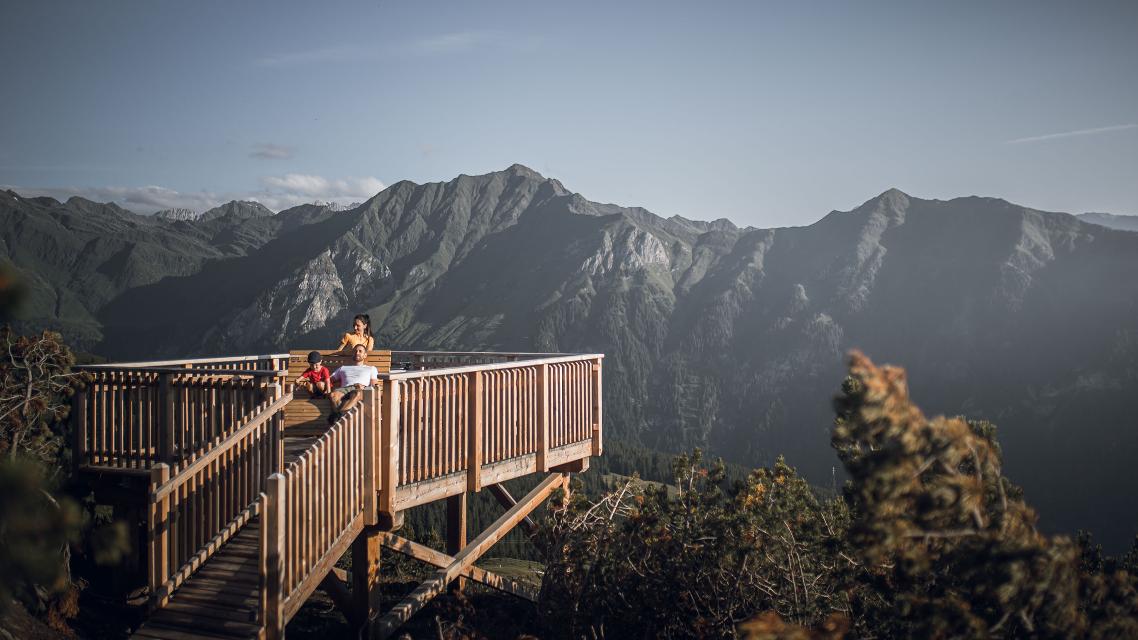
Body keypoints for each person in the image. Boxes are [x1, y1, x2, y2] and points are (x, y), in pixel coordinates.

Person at [327, 342, 379, 423]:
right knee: (332, 395)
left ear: (365, 355)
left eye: (360, 351)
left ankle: (337, 417)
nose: (357, 353)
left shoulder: (371, 368)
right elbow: (329, 380)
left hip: (360, 389)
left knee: (356, 393)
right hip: (344, 389)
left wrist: (364, 387)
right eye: (355, 351)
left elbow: (374, 385)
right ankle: (340, 417)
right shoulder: (343, 368)